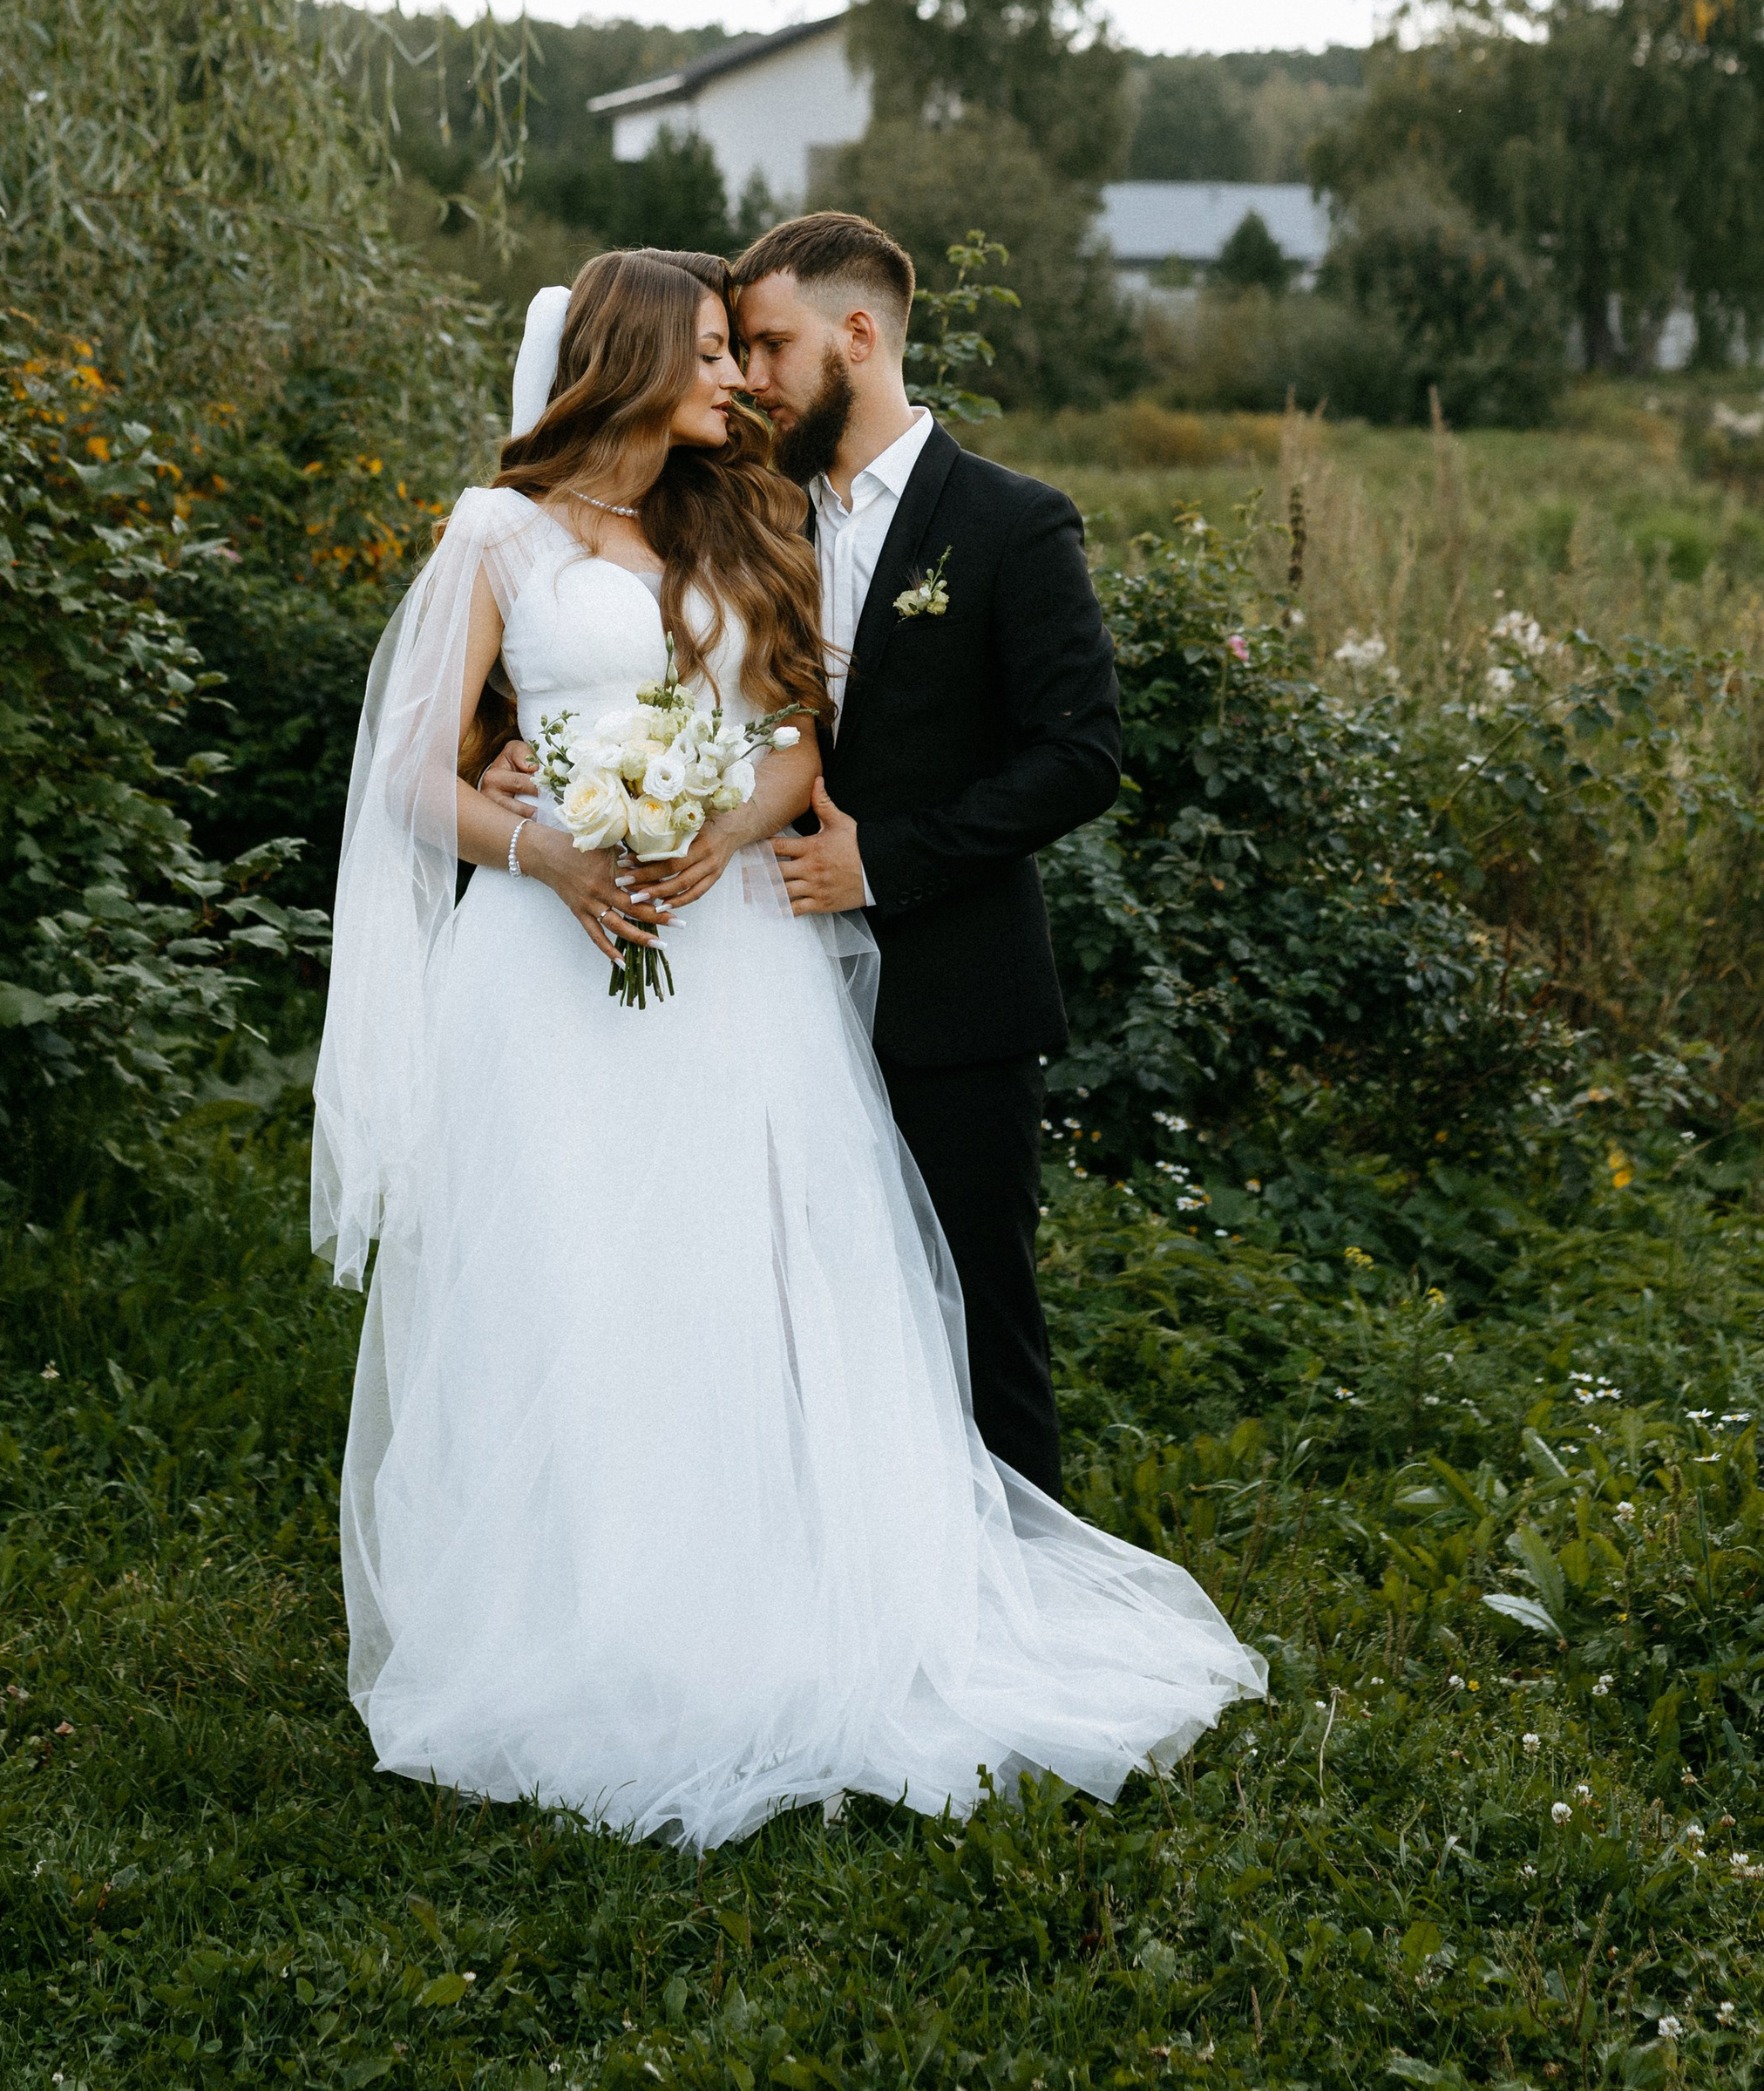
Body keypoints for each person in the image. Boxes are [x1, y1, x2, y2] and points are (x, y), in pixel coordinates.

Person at [313, 247, 1259, 1848]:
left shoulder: (728, 519)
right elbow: (417, 774)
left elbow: (791, 742)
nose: (740, 379)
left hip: (732, 957)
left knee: (739, 1276)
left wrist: (710, 832)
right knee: (574, 1279)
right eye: (709, 350)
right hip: (549, 973)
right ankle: (572, 1612)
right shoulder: (497, 534)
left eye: (748, 349)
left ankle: (765, 1594)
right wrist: (555, 852)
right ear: (625, 358)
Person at [729, 209, 1117, 1503]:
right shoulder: (752, 517)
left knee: (978, 1315)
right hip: (772, 987)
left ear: (859, 332)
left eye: (770, 344)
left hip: (953, 989)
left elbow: (1080, 756)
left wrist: (883, 861)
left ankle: (1028, 1589)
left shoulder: (1013, 524)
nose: (753, 376)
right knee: (799, 1307)